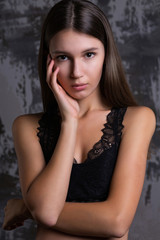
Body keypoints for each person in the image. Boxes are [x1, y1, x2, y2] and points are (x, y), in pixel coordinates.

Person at [2, 0, 156, 239]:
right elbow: (45, 211)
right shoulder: (27, 127)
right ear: (48, 60)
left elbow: (115, 222)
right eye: (63, 57)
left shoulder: (137, 120)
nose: (76, 72)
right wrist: (69, 122)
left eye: (89, 54)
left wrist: (27, 208)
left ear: (106, 54)